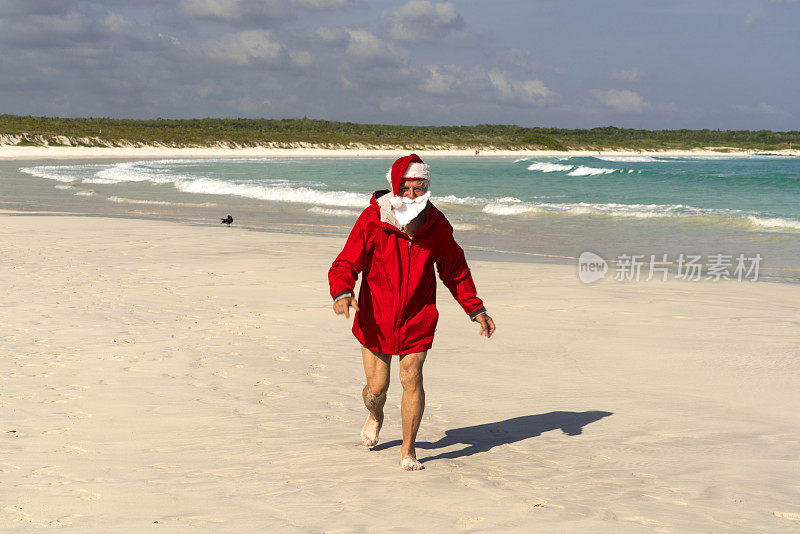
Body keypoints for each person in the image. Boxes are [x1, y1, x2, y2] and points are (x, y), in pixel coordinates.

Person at [328, 154, 496, 471]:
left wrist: (476, 309)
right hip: (376, 318)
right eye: (407, 188)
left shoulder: (437, 225)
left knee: (411, 375)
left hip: (418, 317)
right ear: (396, 187)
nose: (413, 195)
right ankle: (376, 413)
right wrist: (342, 291)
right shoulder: (373, 221)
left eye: (420, 188)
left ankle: (408, 452)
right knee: (376, 390)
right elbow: (346, 263)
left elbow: (456, 270)